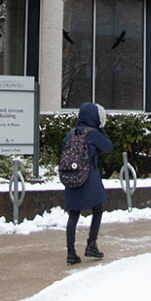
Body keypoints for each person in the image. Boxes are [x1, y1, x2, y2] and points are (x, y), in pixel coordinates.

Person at [63, 102, 114, 265]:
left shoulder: (71, 134)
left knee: (73, 214)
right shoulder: (93, 133)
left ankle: (71, 252)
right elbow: (108, 147)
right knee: (98, 207)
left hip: (72, 176)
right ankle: (91, 243)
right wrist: (101, 130)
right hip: (89, 176)